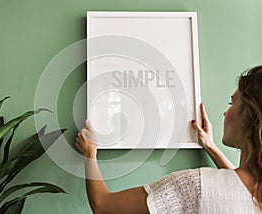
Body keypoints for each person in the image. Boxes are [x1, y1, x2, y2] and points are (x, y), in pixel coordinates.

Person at [75, 65, 262, 213]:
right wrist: (211, 147)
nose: (225, 112)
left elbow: (104, 207)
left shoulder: (195, 186)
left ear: (249, 117)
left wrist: (89, 151)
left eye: (232, 103)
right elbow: (238, 191)